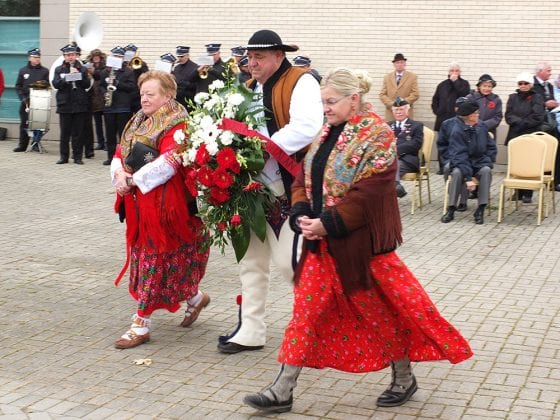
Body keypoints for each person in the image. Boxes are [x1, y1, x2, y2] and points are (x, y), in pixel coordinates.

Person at [243, 67, 473, 414]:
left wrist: (328, 223)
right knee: (304, 314)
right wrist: (301, 209)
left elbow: (371, 193)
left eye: (331, 102)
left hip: (360, 249)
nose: (325, 108)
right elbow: (304, 177)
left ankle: (404, 377)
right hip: (321, 248)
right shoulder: (325, 131)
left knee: (379, 313)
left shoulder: (377, 135)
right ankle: (282, 389)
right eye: (322, 102)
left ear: (354, 99)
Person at [216, 29, 323, 354]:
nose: (252, 63)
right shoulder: (249, 88)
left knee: (291, 263)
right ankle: (251, 330)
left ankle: (318, 328)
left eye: (259, 57)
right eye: (249, 57)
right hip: (252, 189)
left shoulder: (301, 81)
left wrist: (259, 149)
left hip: (291, 189)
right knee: (251, 261)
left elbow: (307, 126)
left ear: (278, 55)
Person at [111, 70, 210, 349]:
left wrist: (132, 180)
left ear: (168, 96)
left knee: (155, 263)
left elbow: (169, 163)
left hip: (166, 208)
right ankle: (195, 298)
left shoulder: (178, 123)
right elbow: (120, 151)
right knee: (159, 261)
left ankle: (140, 324)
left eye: (150, 94)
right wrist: (119, 174)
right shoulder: (137, 120)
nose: (144, 98)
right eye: (142, 93)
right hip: (140, 206)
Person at [442, 100, 496, 225]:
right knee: (456, 173)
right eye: (475, 113)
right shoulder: (457, 131)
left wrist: (487, 161)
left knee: (486, 171)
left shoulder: (481, 126)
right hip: (462, 163)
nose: (478, 115)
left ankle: (481, 209)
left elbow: (491, 147)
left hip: (479, 162)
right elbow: (459, 156)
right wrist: (468, 178)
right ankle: (451, 208)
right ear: (469, 116)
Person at [504, 72, 545, 203]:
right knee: (516, 164)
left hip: (530, 135)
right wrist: (519, 122)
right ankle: (517, 192)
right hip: (515, 134)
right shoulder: (512, 97)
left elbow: (538, 116)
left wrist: (523, 123)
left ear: (531, 84)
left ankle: (527, 193)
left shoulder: (537, 97)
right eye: (520, 83)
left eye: (526, 83)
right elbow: (508, 115)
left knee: (529, 164)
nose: (523, 85)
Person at [52, 43, 91, 165]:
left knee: (78, 133)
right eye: (68, 55)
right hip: (65, 105)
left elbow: (87, 84)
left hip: (79, 105)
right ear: (64, 56)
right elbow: (55, 84)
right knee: (65, 133)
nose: (70, 57)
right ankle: (64, 157)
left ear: (76, 55)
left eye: (72, 55)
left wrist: (78, 76)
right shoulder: (59, 69)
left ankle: (77, 157)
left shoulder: (82, 69)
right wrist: (67, 78)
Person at [99, 46, 136, 165]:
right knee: (110, 134)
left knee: (123, 135)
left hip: (123, 107)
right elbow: (101, 85)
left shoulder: (128, 71)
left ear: (123, 58)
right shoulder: (105, 71)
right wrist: (104, 93)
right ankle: (111, 158)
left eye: (119, 57)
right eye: (115, 56)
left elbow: (132, 87)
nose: (117, 58)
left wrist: (118, 83)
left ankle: (124, 158)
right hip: (109, 107)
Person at [431, 63, 471, 173]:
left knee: (456, 143)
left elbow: (465, 95)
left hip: (457, 119)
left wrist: (455, 82)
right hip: (442, 119)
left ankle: (455, 166)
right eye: (452, 70)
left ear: (460, 72)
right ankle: (442, 167)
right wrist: (437, 111)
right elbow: (435, 99)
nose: (454, 73)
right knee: (442, 143)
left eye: (456, 71)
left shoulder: (464, 84)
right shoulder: (442, 85)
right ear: (448, 72)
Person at [13, 48, 50, 153]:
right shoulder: (23, 70)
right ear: (29, 58)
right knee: (24, 124)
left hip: (39, 101)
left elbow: (48, 85)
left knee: (38, 124)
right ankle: (22, 145)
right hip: (26, 102)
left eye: (38, 57)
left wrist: (42, 85)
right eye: (34, 57)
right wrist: (23, 99)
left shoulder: (45, 71)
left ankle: (35, 143)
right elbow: (18, 86)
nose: (37, 59)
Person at [437, 96, 469, 210]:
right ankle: (452, 198)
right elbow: (442, 145)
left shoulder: (473, 124)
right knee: (447, 168)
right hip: (451, 157)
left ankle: (463, 201)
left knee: (465, 169)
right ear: (456, 109)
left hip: (468, 159)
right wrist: (448, 159)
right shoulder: (447, 124)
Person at [387, 97, 423, 198]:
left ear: (407, 110)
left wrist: (396, 150)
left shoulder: (416, 125)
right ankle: (396, 187)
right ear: (392, 111)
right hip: (388, 159)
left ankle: (394, 187)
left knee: (393, 166)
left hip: (408, 160)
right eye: (396, 110)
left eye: (401, 109)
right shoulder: (387, 126)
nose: (398, 112)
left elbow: (416, 144)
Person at [533, 62, 560, 190]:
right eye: (548, 70)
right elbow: (534, 103)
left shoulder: (548, 85)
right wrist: (545, 104)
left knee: (553, 153)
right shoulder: (532, 84)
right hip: (538, 125)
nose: (550, 73)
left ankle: (552, 182)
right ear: (540, 71)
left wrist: (554, 104)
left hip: (550, 124)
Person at [379, 53, 419, 121]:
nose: (399, 64)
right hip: (391, 112)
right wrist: (391, 104)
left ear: (405, 64)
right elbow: (382, 94)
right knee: (391, 128)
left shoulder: (412, 77)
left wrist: (403, 102)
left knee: (405, 128)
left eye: (401, 62)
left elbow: (415, 94)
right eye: (397, 62)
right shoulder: (387, 77)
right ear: (394, 64)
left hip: (406, 112)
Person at [86, 48, 107, 151]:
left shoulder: (105, 67)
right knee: (98, 123)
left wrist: (94, 71)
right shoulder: (88, 66)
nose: (96, 58)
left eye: (97, 56)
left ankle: (107, 142)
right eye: (94, 57)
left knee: (107, 123)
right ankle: (100, 142)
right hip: (94, 98)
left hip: (104, 98)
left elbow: (101, 76)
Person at [172, 45, 198, 110]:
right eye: (178, 56)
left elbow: (197, 85)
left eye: (182, 56)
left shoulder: (195, 67)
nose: (180, 58)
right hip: (177, 100)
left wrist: (185, 84)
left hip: (188, 101)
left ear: (187, 56)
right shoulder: (176, 68)